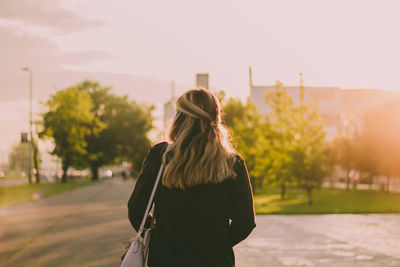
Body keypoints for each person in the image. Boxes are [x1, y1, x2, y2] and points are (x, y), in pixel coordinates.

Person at [127, 88, 256, 267]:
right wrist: (217, 243)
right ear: (215, 119)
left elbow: (136, 209)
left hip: (166, 259)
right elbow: (246, 222)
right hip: (216, 260)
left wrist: (160, 236)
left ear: (180, 119)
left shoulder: (160, 157)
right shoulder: (233, 163)